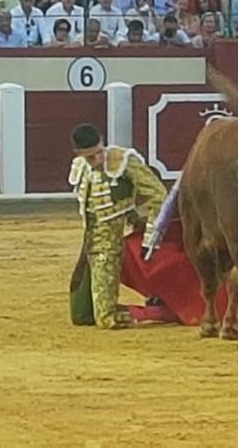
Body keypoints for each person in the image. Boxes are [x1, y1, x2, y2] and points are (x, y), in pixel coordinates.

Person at [68, 123, 170, 329]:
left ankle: (156, 313)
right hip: (89, 243)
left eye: (98, 153)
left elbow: (158, 195)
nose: (96, 160)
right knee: (80, 315)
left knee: (106, 320)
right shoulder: (80, 165)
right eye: (89, 157)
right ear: (78, 153)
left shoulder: (124, 161)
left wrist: (151, 235)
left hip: (110, 244)